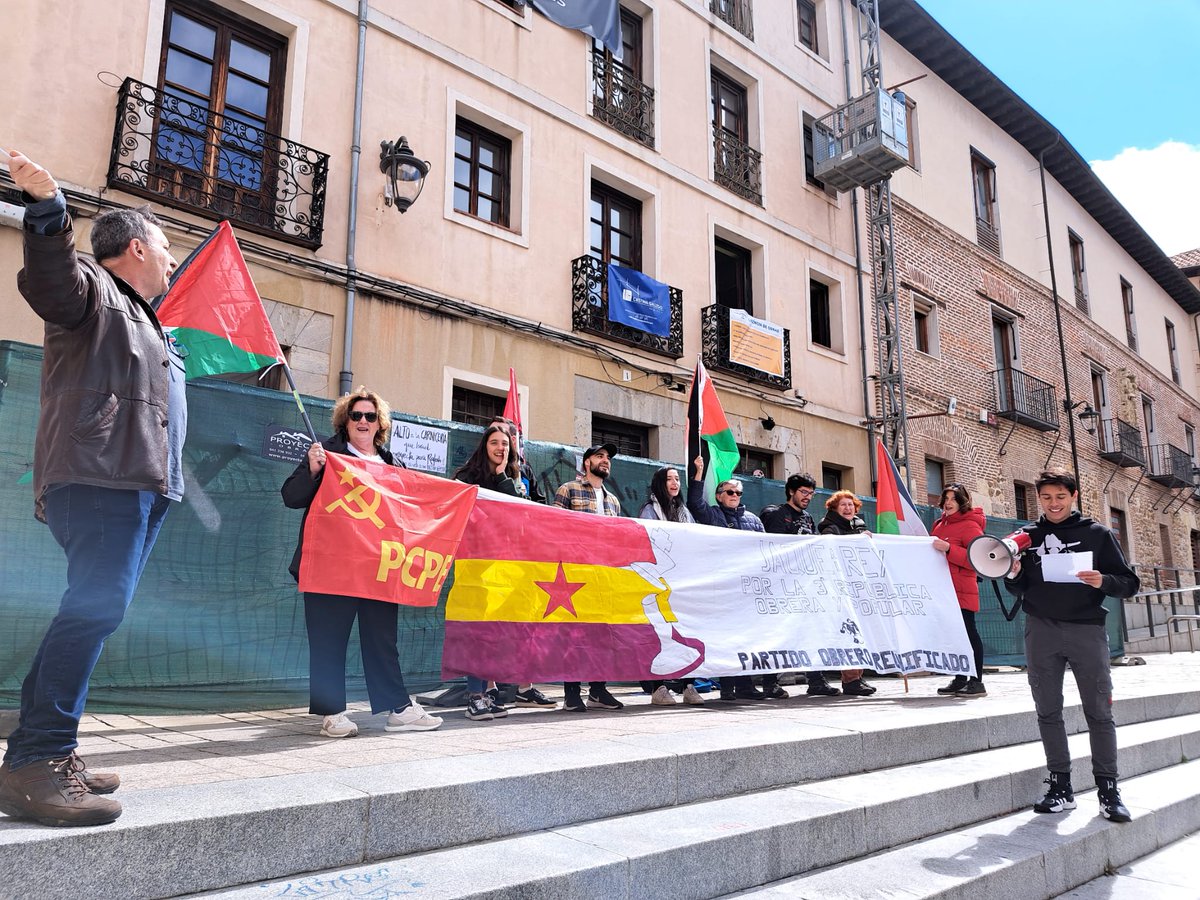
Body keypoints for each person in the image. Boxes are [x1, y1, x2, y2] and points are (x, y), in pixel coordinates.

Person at [0, 152, 186, 828]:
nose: (172, 262)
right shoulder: (94, 290)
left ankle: (46, 738)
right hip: (101, 477)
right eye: (166, 250)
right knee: (94, 608)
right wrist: (48, 210)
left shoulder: (144, 315)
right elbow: (50, 280)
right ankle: (37, 759)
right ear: (136, 247)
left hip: (133, 483)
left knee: (94, 609)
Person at [282, 389, 443, 738]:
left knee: (382, 639)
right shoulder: (327, 454)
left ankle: (398, 709)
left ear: (380, 424)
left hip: (378, 568)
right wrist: (312, 469)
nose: (363, 422)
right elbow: (291, 497)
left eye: (370, 416)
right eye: (356, 415)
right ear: (346, 420)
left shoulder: (392, 464)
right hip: (331, 566)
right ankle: (333, 713)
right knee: (328, 639)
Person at [1004, 468, 1139, 823]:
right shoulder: (1026, 536)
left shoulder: (1097, 534)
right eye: (1046, 498)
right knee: (1048, 711)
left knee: (1099, 711)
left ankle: (1108, 791)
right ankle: (1060, 787)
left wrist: (1103, 580)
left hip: (1086, 630)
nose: (1053, 504)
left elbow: (1129, 583)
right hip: (1041, 629)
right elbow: (1017, 589)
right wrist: (1014, 573)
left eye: (1060, 497)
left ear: (1073, 496)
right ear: (1039, 499)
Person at [453, 424, 557, 719]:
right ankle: (475, 696)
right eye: (494, 443)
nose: (500, 448)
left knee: (500, 631)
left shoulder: (516, 478)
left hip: (512, 566)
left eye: (505, 444)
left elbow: (522, 512)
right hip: (479, 566)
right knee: (478, 631)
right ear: (484, 446)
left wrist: (501, 475)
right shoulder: (467, 478)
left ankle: (489, 694)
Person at [552, 443, 625, 712]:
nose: (605, 461)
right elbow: (554, 529)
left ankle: (598, 690)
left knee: (602, 633)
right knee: (573, 633)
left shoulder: (613, 500)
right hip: (574, 574)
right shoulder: (568, 490)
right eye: (599, 456)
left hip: (603, 576)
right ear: (586, 463)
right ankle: (571, 691)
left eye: (608, 458)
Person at [687, 456, 766, 701]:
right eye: (729, 491)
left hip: (747, 588)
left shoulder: (753, 520)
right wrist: (699, 473)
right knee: (726, 637)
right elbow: (694, 503)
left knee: (747, 637)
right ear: (719, 495)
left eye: (738, 492)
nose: (734, 495)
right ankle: (727, 686)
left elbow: (765, 548)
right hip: (722, 587)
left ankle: (746, 685)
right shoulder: (711, 514)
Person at [760, 473, 835, 699]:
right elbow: (775, 548)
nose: (808, 497)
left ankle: (816, 680)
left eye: (811, 494)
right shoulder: (775, 514)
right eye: (804, 492)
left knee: (810, 632)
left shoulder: (808, 518)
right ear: (791, 491)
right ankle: (770, 682)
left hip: (804, 585)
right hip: (780, 585)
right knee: (777, 634)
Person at [637, 466, 703, 707]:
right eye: (669, 479)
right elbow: (647, 540)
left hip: (682, 579)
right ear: (659, 483)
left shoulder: (683, 510)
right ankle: (659, 687)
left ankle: (689, 685)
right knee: (661, 630)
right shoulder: (649, 509)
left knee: (686, 628)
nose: (674, 483)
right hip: (658, 580)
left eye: (677, 479)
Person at [817, 491, 877, 697]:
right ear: (834, 508)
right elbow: (831, 548)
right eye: (843, 505)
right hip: (841, 588)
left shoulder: (859, 526)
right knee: (850, 634)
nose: (848, 508)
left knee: (861, 633)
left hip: (858, 585)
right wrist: (858, 539)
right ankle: (850, 680)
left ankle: (857, 676)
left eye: (851, 505)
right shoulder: (829, 527)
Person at [930, 484, 987, 698]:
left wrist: (949, 549)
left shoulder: (970, 526)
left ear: (963, 501)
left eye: (954, 498)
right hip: (943, 589)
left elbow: (977, 560)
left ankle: (976, 681)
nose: (948, 502)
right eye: (946, 497)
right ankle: (960, 677)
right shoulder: (939, 524)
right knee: (953, 635)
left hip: (961, 588)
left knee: (968, 633)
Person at [489, 415, 546, 503]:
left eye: (502, 435)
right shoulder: (472, 471)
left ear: (512, 440)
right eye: (490, 433)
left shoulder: (524, 472)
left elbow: (539, 504)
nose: (499, 447)